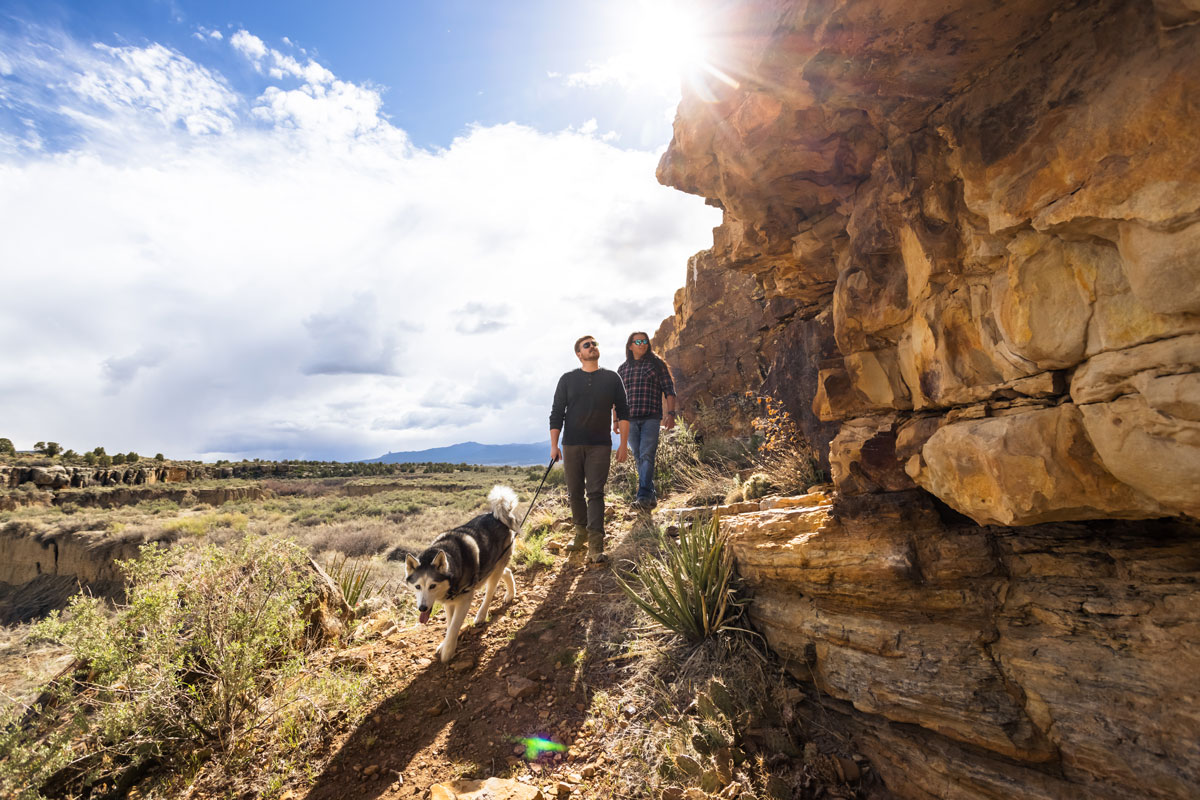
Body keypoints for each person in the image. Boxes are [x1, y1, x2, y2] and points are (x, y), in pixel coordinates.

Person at [550, 335, 630, 564]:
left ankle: (596, 545)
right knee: (574, 492)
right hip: (571, 444)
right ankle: (580, 533)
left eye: (595, 344)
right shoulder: (567, 379)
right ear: (579, 354)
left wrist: (623, 444)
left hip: (600, 445)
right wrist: (554, 446)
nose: (593, 347)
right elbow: (557, 413)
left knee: (595, 493)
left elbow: (623, 412)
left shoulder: (611, 378)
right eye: (587, 345)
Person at [616, 331, 677, 510]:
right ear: (630, 346)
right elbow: (616, 399)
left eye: (645, 341)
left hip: (651, 417)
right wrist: (615, 421)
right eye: (638, 342)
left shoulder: (657, 365)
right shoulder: (622, 369)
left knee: (646, 455)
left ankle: (642, 495)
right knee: (638, 457)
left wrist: (671, 414)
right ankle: (650, 496)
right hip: (629, 420)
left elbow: (669, 390)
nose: (642, 344)